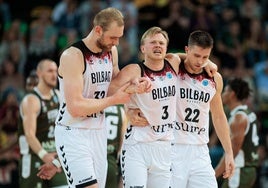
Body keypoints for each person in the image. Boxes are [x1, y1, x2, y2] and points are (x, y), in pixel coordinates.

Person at [37, 7, 150, 188]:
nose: (117, 42)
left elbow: (113, 85)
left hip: (98, 131)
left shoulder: (111, 51)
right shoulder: (73, 56)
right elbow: (75, 108)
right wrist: (115, 100)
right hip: (72, 131)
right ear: (98, 30)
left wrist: (133, 85)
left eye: (120, 37)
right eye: (113, 37)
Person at [108, 26, 180, 188]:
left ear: (166, 49)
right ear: (142, 48)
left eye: (161, 43)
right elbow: (108, 91)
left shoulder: (173, 63)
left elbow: (190, 57)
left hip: (165, 146)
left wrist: (209, 62)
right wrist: (129, 94)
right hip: (138, 144)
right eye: (153, 42)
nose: (158, 46)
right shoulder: (134, 70)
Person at [171, 30, 235, 188]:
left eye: (205, 57)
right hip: (173, 147)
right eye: (196, 56)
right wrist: (207, 62)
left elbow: (219, 116)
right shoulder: (173, 69)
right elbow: (162, 57)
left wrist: (229, 152)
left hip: (200, 150)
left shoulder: (214, 78)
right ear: (187, 50)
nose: (200, 61)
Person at [18, 59, 68, 188]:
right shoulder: (31, 99)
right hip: (35, 156)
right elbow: (29, 134)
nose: (54, 75)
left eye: (56, 71)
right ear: (39, 73)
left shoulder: (59, 96)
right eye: (50, 71)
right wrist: (44, 155)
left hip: (55, 159)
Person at [215, 78, 259, 188]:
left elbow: (232, 152)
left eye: (225, 91)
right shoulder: (247, 113)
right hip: (248, 168)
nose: (223, 94)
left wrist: (214, 174)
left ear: (232, 94)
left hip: (240, 169)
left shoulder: (238, 118)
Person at [105, 104, 128, 188]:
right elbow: (123, 142)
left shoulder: (93, 103)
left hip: (90, 161)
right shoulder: (121, 109)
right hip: (111, 160)